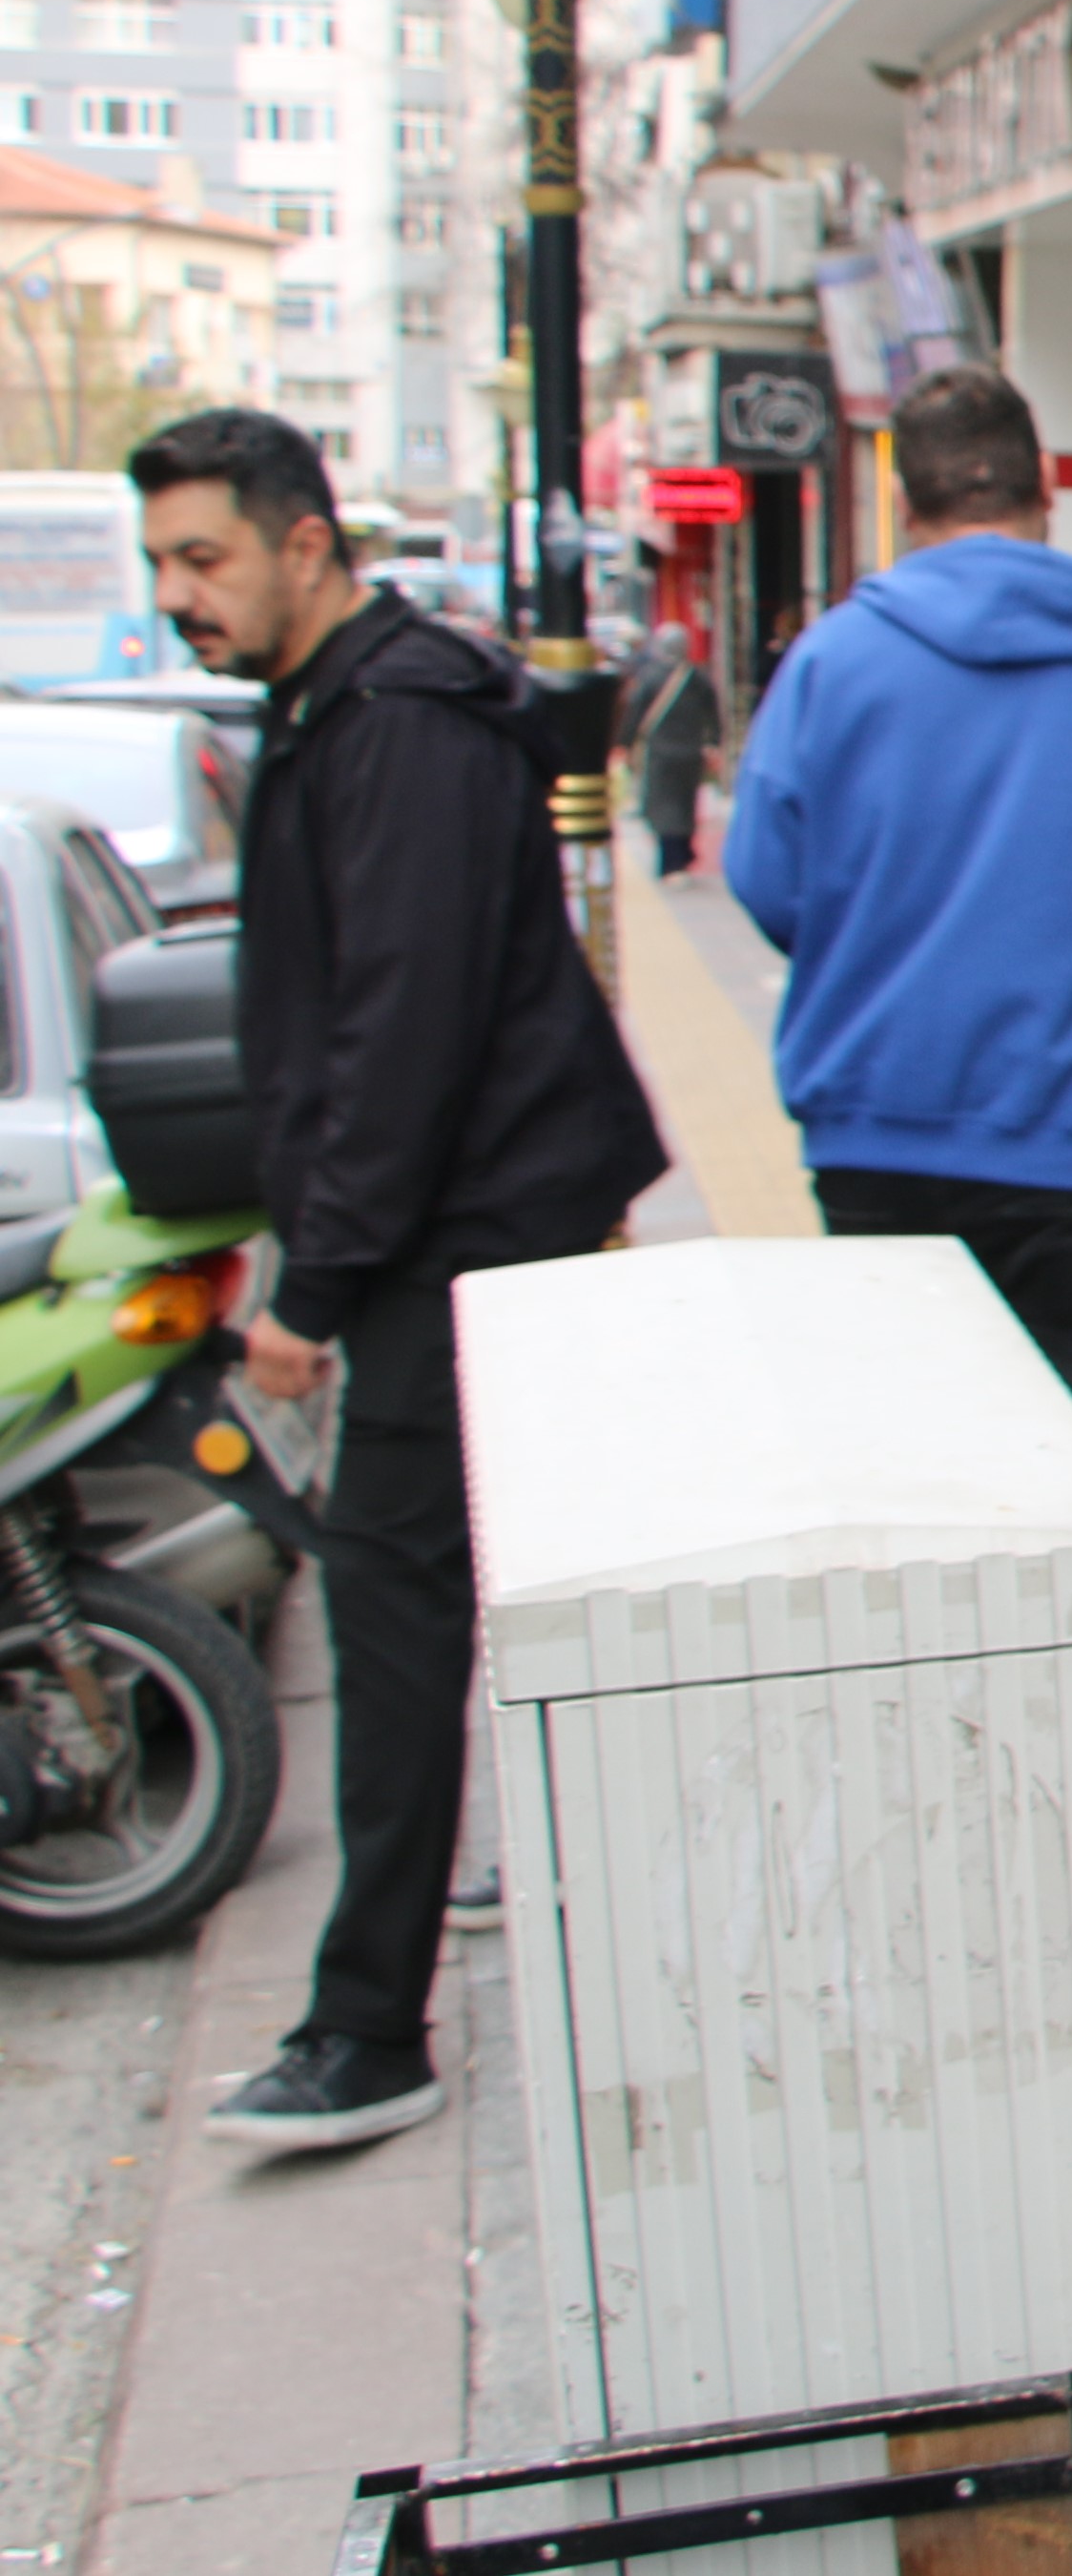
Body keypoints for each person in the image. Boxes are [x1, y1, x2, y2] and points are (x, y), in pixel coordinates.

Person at [130, 410, 668, 2154]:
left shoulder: (400, 729)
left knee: (391, 1600)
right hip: (455, 1226)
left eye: (203, 558)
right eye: (164, 565)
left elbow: (403, 1033)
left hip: (453, 1235)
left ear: (306, 543)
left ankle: (370, 2029)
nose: (179, 596)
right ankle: (492, 1898)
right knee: (461, 1581)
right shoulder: (347, 711)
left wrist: (318, 1281)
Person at [724, 365, 1072, 1444]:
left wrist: (873, 943)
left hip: (876, 1132)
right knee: (1068, 1481)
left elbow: (766, 880)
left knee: (907, 1465)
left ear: (902, 500)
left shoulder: (832, 663)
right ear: (1047, 487)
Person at [618, 617, 718, 878]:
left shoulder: (649, 677)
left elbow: (635, 714)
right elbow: (713, 713)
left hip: (660, 753)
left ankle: (670, 861)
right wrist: (712, 743)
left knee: (663, 807)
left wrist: (625, 744)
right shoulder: (697, 677)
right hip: (690, 753)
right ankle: (683, 856)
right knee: (685, 805)